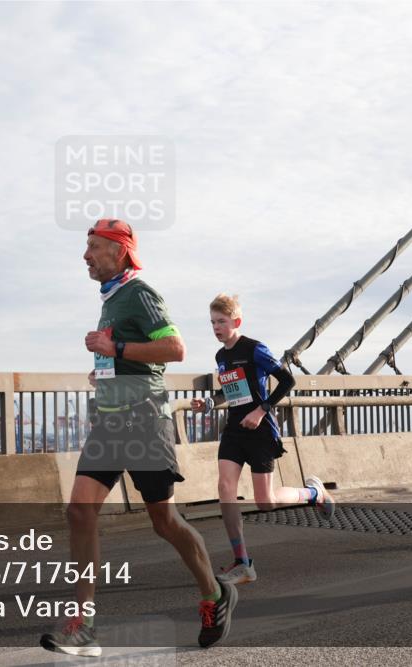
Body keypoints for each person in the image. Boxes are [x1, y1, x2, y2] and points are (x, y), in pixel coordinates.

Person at [40, 219, 237, 657]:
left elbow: (175, 349)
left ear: (119, 252)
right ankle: (83, 625)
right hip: (110, 420)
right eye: (86, 246)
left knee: (164, 521)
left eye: (93, 247)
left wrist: (117, 352)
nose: (85, 255)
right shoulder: (111, 298)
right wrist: (107, 372)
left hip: (144, 421)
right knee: (79, 511)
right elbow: (131, 358)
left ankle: (215, 594)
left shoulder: (140, 293)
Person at [191, 294, 335, 586]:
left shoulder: (255, 349)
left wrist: (260, 410)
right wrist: (209, 402)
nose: (216, 327)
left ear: (236, 322)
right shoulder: (221, 357)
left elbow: (287, 381)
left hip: (260, 429)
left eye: (221, 322)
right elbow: (232, 393)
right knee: (225, 487)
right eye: (212, 322)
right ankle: (242, 562)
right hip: (234, 428)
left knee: (265, 501)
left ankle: (313, 494)